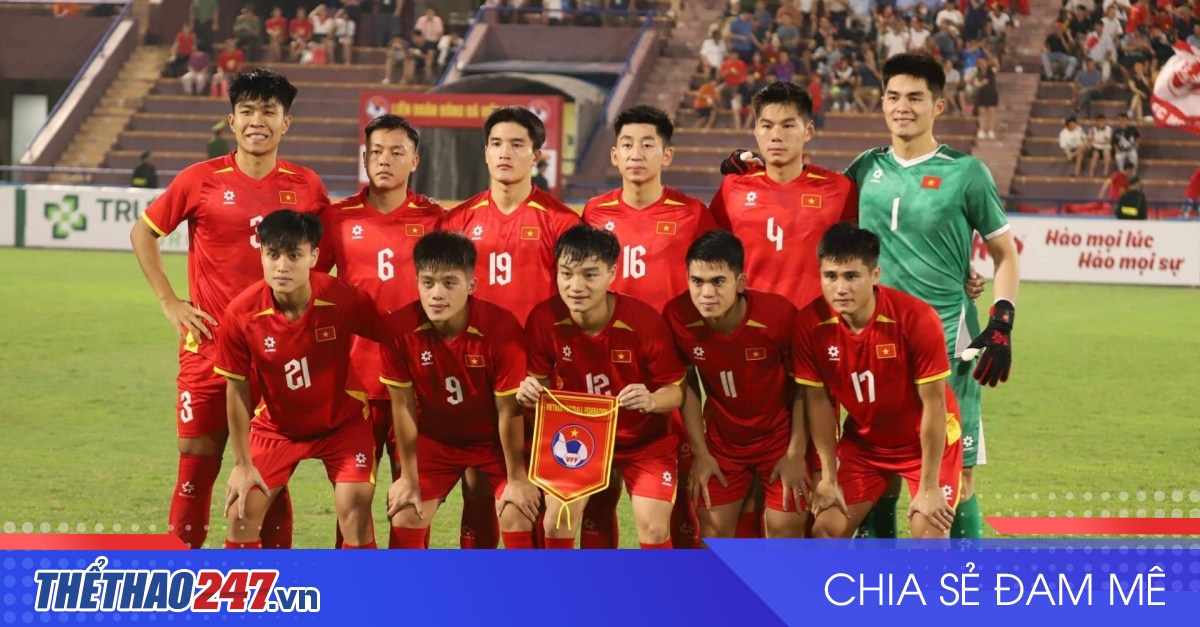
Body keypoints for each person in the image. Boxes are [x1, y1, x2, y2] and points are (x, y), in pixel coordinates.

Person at [130, 68, 330, 550]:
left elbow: (324, 259)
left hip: (274, 356)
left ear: (286, 123)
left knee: (268, 473)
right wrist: (170, 301)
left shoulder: (306, 186)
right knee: (195, 466)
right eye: (247, 111)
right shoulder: (199, 180)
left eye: (269, 111)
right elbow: (144, 233)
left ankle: (269, 578)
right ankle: (184, 575)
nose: (257, 121)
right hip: (208, 348)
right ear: (232, 120)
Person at [841, 54, 1019, 540]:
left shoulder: (966, 172)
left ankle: (964, 583)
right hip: (874, 351)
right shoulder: (864, 169)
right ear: (882, 103)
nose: (903, 107)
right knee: (879, 477)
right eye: (893, 96)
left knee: (958, 480)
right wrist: (753, 168)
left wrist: (1001, 322)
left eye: (915, 98)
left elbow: (1005, 254)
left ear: (938, 105)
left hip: (948, 349)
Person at [442, 106, 580, 549]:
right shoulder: (457, 222)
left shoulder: (561, 222)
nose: (505, 153)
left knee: (546, 490)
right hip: (476, 372)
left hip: (542, 377)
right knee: (477, 487)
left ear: (537, 155)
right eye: (497, 143)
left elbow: (576, 302)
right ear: (485, 151)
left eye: (517, 144)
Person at [580, 106, 717, 549]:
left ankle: (682, 583)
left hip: (670, 371)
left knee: (679, 497)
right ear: (614, 155)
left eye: (647, 144)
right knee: (597, 495)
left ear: (667, 154)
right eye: (627, 144)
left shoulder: (692, 213)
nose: (636, 153)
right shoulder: (594, 211)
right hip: (603, 369)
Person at [217, 210, 385, 550]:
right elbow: (236, 389)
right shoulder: (241, 313)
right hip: (277, 428)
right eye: (273, 254)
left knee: (355, 509)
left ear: (313, 256)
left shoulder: (342, 298)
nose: (282, 266)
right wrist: (242, 464)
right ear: (261, 255)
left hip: (343, 425)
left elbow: (393, 337)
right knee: (240, 512)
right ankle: (248, 585)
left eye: (294, 255)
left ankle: (362, 584)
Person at [315, 114, 445, 548]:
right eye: (375, 152)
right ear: (364, 158)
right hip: (354, 387)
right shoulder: (336, 217)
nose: (384, 160)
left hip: (418, 384)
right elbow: (312, 291)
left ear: (414, 161)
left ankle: (402, 587)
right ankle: (354, 587)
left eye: (396, 152)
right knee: (352, 507)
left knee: (412, 503)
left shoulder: (436, 219)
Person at [517, 225, 686, 549]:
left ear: (611, 273)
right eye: (566, 274)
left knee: (654, 529)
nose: (575, 286)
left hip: (643, 441)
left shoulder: (644, 321)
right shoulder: (544, 319)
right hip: (578, 436)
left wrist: (651, 400)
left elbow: (676, 391)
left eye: (589, 275)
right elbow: (539, 388)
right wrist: (529, 394)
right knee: (556, 521)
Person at [800, 222, 963, 540]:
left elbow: (934, 404)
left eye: (852, 276)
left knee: (929, 535)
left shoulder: (916, 318)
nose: (840, 288)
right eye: (830, 276)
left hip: (926, 445)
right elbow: (818, 402)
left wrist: (929, 486)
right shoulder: (810, 324)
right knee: (824, 532)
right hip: (865, 445)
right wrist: (829, 478)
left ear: (875, 275)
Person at [379, 232, 538, 549]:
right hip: (436, 440)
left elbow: (508, 410)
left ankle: (522, 581)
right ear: (417, 282)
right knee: (406, 512)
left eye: (449, 283)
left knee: (517, 511)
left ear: (471, 285)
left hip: (493, 441)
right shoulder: (398, 329)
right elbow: (403, 407)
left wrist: (518, 479)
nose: (437, 294)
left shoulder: (500, 328)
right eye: (428, 283)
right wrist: (407, 477)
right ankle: (404, 582)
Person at [663, 230, 809, 539]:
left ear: (740, 283)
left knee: (786, 530)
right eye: (697, 281)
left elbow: (804, 388)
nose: (706, 293)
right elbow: (687, 385)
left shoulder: (778, 315)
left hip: (779, 438)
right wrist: (701, 453)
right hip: (723, 443)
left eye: (718, 281)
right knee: (711, 533)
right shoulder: (677, 316)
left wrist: (796, 454)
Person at [708, 81, 857, 311]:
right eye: (767, 126)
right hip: (749, 324)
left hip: (815, 324)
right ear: (756, 131)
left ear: (808, 131)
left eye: (788, 126)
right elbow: (710, 258)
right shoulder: (733, 187)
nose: (776, 136)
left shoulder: (840, 189)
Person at [971, 56, 998, 140]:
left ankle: (991, 130)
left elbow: (996, 63)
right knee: (982, 113)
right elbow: (976, 84)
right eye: (980, 63)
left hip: (992, 94)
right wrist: (982, 83)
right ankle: (982, 129)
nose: (982, 64)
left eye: (983, 62)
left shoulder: (992, 71)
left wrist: (988, 54)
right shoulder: (977, 74)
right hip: (982, 95)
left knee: (992, 112)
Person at [1087, 114, 1114, 179]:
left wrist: (1095, 141)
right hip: (1096, 148)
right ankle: (1091, 174)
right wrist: (1092, 141)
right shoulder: (1092, 129)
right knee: (1095, 155)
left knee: (1107, 153)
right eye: (1100, 121)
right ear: (1097, 122)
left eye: (1103, 121)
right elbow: (1089, 140)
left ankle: (1105, 173)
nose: (1102, 123)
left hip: (1106, 147)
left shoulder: (1108, 129)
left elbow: (1107, 141)